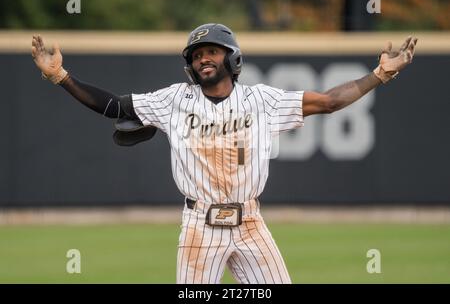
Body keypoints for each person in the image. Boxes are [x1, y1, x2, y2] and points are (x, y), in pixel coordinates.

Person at [31, 23, 417, 284]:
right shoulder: (175, 99)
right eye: (197, 54)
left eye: (212, 51)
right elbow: (115, 107)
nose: (203, 59)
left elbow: (331, 101)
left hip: (251, 223)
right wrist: (61, 77)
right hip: (200, 226)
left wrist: (381, 74)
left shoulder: (262, 100)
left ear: (232, 58)